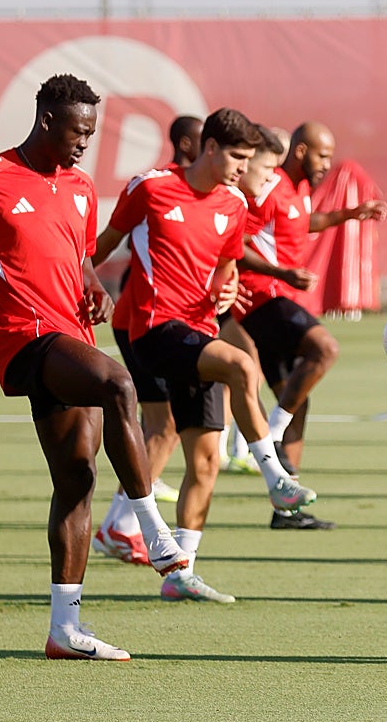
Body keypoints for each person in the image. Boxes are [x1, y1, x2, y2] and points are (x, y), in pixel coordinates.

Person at [0, 74, 189, 661]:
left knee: (77, 479)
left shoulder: (83, 187)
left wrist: (92, 287)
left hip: (72, 331)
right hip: (24, 337)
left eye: (91, 132)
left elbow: (78, 256)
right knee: (119, 381)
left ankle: (65, 629)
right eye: (78, 130)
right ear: (46, 121)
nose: (85, 142)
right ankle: (149, 525)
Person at [92, 107, 316, 604]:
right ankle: (276, 477)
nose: (243, 167)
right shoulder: (150, 188)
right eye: (237, 156)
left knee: (206, 461)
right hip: (153, 330)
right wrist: (82, 287)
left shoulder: (234, 204)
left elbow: (228, 267)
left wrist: (225, 286)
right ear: (210, 148)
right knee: (241, 364)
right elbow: (100, 247)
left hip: (198, 332)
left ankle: (181, 572)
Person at [233, 121, 387, 529]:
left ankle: (287, 510)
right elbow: (237, 241)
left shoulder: (297, 190)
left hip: (279, 297)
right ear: (299, 151)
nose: (327, 164)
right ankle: (271, 431)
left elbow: (304, 222)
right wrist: (282, 274)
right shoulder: (270, 184)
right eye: (322, 155)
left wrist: (352, 214)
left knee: (298, 397)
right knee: (325, 349)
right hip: (263, 298)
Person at [95, 115, 203, 566]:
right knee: (166, 426)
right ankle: (118, 526)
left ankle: (121, 523)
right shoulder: (157, 187)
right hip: (142, 320)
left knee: (163, 425)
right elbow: (102, 247)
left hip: (166, 322)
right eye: (207, 143)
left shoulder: (206, 195)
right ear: (187, 144)